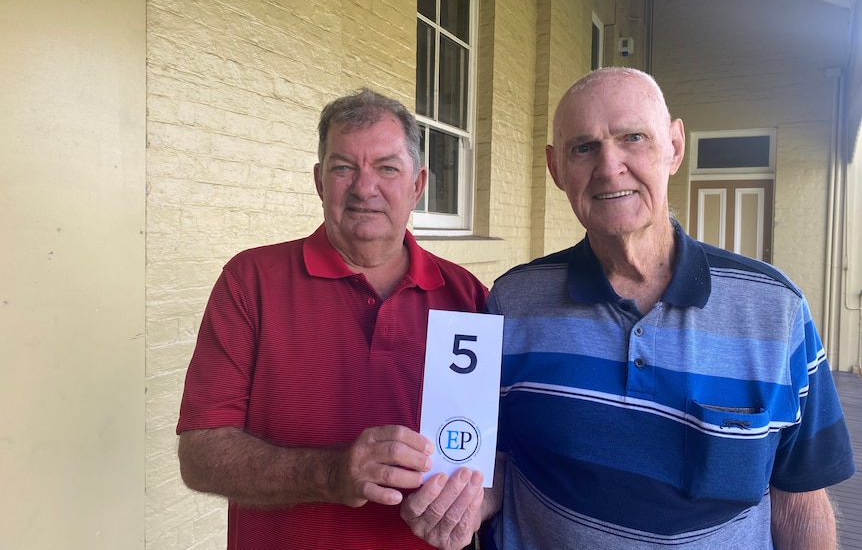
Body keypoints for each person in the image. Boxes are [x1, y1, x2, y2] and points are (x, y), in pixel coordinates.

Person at [479, 67, 856, 548]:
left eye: (633, 137)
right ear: (556, 168)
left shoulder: (776, 312)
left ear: (674, 147)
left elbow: (800, 502)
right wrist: (473, 492)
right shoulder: (511, 304)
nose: (609, 166)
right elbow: (493, 454)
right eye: (583, 147)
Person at [176, 88, 489, 550]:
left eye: (387, 168)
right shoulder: (250, 281)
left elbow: (509, 451)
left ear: (418, 184)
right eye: (345, 168)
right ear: (320, 181)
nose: (365, 188)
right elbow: (200, 455)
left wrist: (484, 500)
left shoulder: (468, 297)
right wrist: (330, 473)